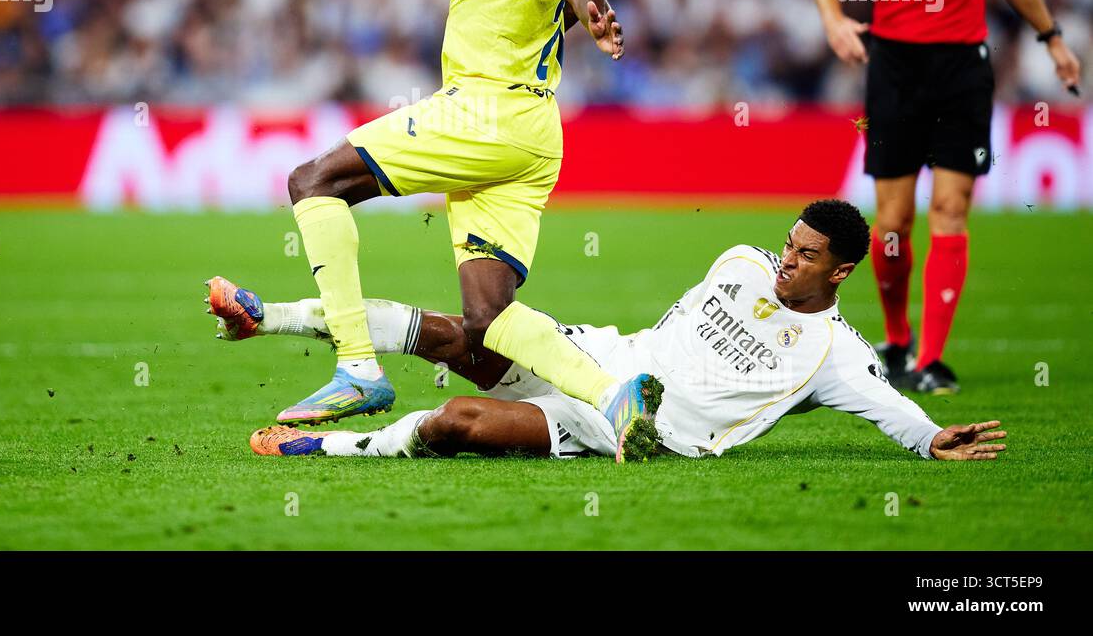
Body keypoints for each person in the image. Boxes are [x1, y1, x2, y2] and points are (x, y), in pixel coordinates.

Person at [208, 0, 664, 461]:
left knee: (314, 181)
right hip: (530, 134)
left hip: (484, 112)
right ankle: (614, 395)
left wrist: (590, 5)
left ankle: (358, 368)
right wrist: (577, 10)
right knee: (489, 318)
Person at [210, 200, 1006, 463]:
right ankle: (269, 317)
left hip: (614, 424)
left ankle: (328, 449)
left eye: (806, 258)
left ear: (840, 274)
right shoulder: (740, 259)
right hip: (605, 356)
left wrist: (932, 438)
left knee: (456, 423)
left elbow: (885, 407)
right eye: (789, 245)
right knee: (461, 332)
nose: (785, 263)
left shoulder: (836, 355)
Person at [811, 0, 1081, 394]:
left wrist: (1052, 37)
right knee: (894, 222)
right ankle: (898, 339)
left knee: (953, 211)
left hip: (963, 68)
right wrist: (834, 19)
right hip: (896, 69)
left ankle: (932, 358)